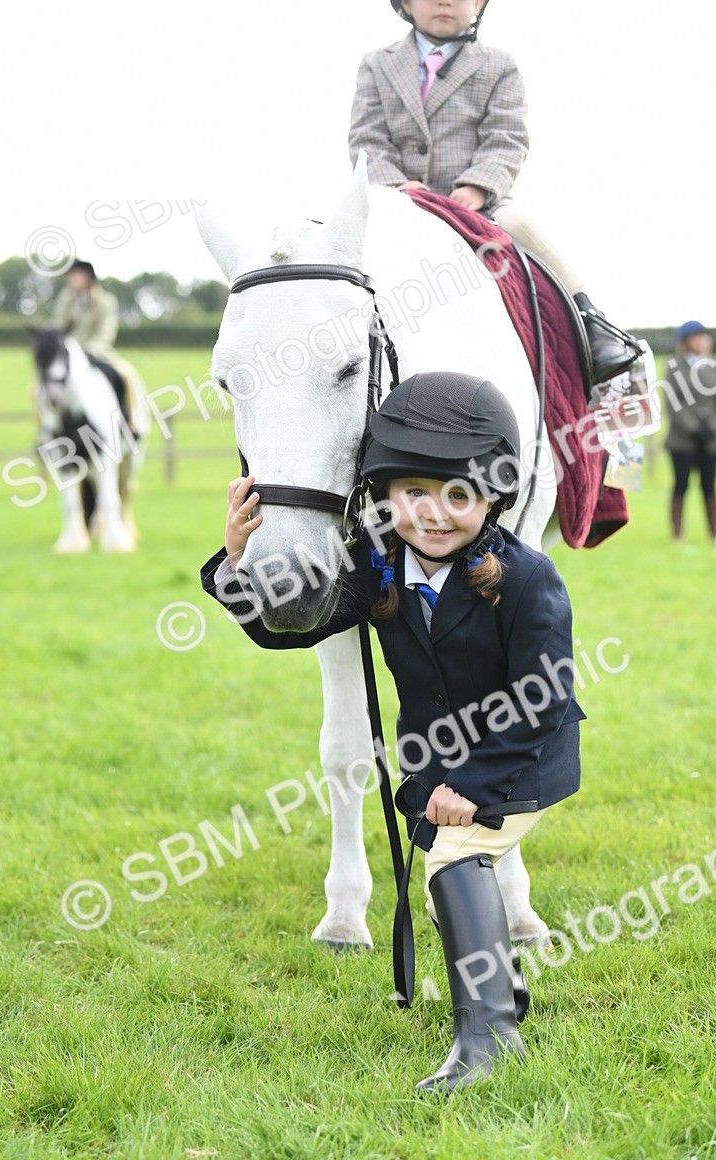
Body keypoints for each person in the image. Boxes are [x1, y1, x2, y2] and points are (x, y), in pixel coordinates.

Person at [201, 371, 585, 1093]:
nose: (433, 515)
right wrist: (237, 563)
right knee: (447, 853)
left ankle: (490, 1038)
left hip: (518, 763)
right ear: (381, 496)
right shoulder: (377, 571)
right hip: (436, 770)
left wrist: (468, 788)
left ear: (496, 498)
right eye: (413, 494)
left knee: (454, 858)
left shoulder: (529, 578)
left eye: (458, 496)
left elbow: (544, 700)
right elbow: (286, 631)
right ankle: (505, 990)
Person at [348, 0, 639, 385]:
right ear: (406, 3)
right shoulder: (377, 64)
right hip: (399, 199)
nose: (444, 1)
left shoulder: (499, 64)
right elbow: (367, 137)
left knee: (520, 223)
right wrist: (397, 184)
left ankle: (591, 322)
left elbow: (508, 137)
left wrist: (476, 186)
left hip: (477, 202)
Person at [53, 259, 141, 429]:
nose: (72, 280)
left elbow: (107, 330)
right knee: (40, 388)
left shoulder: (106, 300)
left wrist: (91, 349)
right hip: (69, 355)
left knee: (126, 375)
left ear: (88, 278)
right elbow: (59, 326)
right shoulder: (66, 299)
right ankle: (47, 431)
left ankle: (130, 423)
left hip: (97, 353)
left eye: (76, 275)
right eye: (71, 276)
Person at [663, 320, 716, 545]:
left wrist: (712, 426)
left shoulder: (713, 365)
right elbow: (673, 402)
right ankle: (677, 534)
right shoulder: (674, 366)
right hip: (682, 440)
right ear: (687, 342)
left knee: (710, 486)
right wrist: (693, 428)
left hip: (710, 440)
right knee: (681, 484)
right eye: (699, 337)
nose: (704, 341)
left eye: (706, 337)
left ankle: (715, 532)